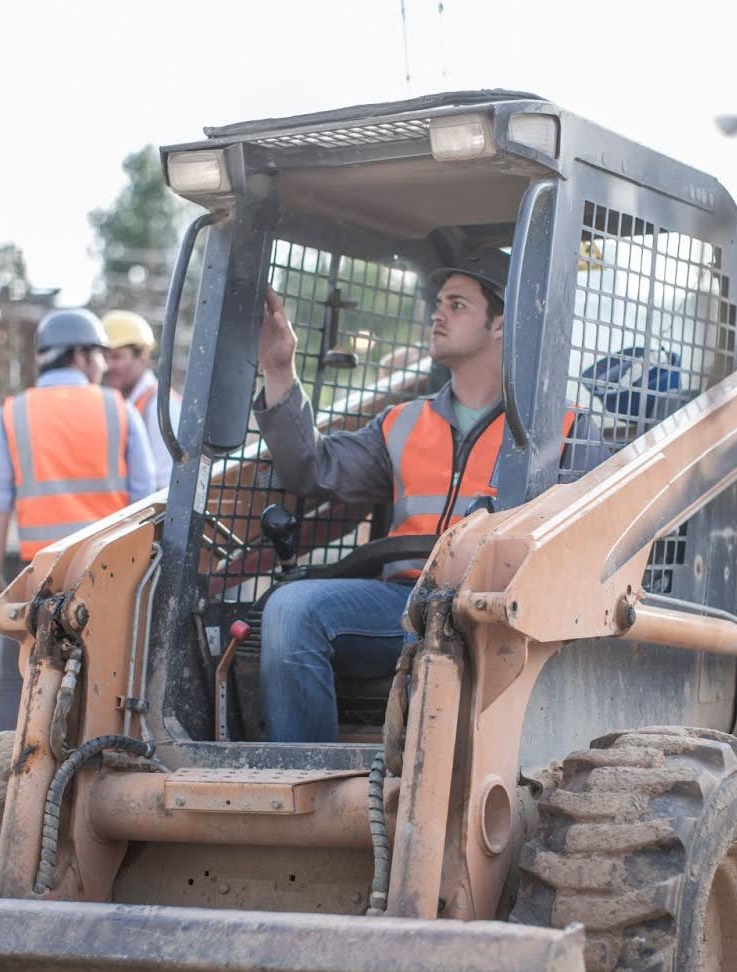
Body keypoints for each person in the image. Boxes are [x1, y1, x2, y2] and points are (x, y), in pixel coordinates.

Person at [251, 250, 610, 742]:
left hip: (493, 617)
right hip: (401, 605)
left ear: (501, 323)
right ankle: (302, 779)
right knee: (291, 609)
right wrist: (278, 369)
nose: (438, 314)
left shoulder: (565, 429)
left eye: (457, 305)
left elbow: (586, 549)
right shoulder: (401, 422)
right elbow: (311, 468)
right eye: (439, 302)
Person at [0, 308, 156, 730]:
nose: (103, 366)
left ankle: (9, 772)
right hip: (106, 575)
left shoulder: (11, 415)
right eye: (100, 355)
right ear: (81, 355)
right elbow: (146, 501)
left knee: (23, 678)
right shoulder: (119, 411)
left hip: (38, 577)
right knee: (105, 680)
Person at [101, 309, 179, 493]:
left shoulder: (162, 407)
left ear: (142, 355)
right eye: (104, 357)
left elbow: (166, 484)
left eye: (116, 357)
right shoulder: (114, 405)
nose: (108, 366)